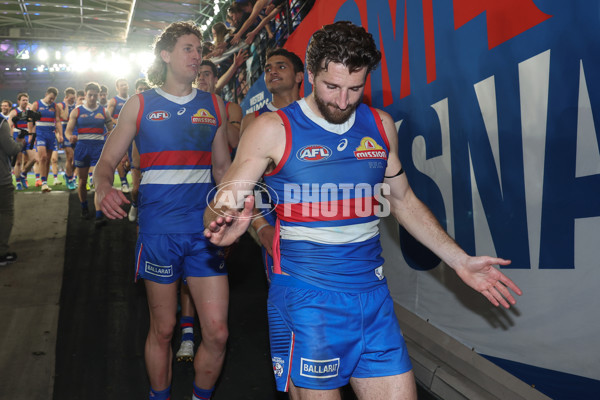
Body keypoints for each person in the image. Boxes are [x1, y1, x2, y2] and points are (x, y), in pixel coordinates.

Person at [203, 21, 523, 399]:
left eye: (355, 89)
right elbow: (221, 203)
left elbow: (403, 201)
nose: (342, 101)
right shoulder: (273, 128)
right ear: (310, 74)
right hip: (308, 298)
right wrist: (228, 222)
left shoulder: (381, 125)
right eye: (332, 87)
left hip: (373, 298)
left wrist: (459, 260)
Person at [94, 21, 232, 400]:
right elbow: (106, 163)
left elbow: (222, 171)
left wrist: (232, 212)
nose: (196, 55)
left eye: (199, 48)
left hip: (204, 232)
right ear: (166, 55)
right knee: (165, 329)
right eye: (188, 48)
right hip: (158, 233)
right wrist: (102, 187)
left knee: (217, 332)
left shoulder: (214, 105)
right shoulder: (140, 105)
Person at [240, 47, 304, 283]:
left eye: (281, 66)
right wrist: (259, 224)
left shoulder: (317, 115)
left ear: (299, 76)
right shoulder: (254, 120)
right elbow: (241, 180)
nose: (272, 72)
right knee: (282, 290)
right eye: (268, 68)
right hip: (273, 216)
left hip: (317, 216)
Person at [65, 82, 114, 224]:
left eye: (95, 95)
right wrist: (70, 137)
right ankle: (84, 206)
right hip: (82, 147)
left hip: (98, 148)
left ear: (99, 95)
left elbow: (111, 130)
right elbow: (68, 131)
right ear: (85, 95)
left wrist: (111, 135)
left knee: (96, 180)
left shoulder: (104, 111)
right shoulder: (77, 111)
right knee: (82, 181)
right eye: (90, 95)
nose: (92, 98)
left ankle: (99, 213)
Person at [30, 87, 63, 193]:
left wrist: (60, 134)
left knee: (48, 159)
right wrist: (31, 134)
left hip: (51, 134)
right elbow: (30, 119)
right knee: (43, 157)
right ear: (46, 94)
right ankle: (43, 182)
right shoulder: (37, 104)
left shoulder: (55, 106)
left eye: (53, 99)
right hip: (40, 133)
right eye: (50, 98)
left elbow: (57, 120)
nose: (51, 100)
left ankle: (45, 182)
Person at [126, 78, 151, 223]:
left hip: (155, 156)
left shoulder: (159, 108)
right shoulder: (131, 109)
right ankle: (134, 205)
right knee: (135, 190)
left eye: (145, 88)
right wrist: (127, 158)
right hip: (138, 154)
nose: (143, 91)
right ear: (135, 91)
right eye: (140, 89)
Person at [0, 118, 23, 265]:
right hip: (1, 178)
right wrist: (21, 143)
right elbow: (10, 149)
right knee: (5, 212)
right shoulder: (1, 123)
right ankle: (1, 253)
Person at [107, 78, 131, 194]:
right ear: (117, 88)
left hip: (132, 133)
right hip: (119, 134)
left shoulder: (133, 99)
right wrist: (118, 122)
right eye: (121, 85)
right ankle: (124, 182)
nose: (124, 86)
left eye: (125, 84)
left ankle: (125, 174)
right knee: (120, 159)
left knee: (132, 160)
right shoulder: (114, 101)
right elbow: (107, 117)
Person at [7, 93, 35, 190]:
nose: (25, 102)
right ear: (19, 101)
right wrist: (10, 138)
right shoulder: (14, 112)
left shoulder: (30, 111)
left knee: (34, 158)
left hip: (28, 135)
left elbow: (33, 124)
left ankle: (23, 175)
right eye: (23, 100)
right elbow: (9, 125)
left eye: (27, 100)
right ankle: (18, 182)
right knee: (18, 161)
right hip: (17, 135)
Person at [56, 87, 78, 189]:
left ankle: (68, 175)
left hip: (75, 132)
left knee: (77, 159)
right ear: (66, 97)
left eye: (73, 98)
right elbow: (64, 117)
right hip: (65, 133)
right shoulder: (61, 105)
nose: (72, 100)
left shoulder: (77, 106)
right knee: (70, 156)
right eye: (70, 99)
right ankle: (69, 179)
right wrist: (66, 104)